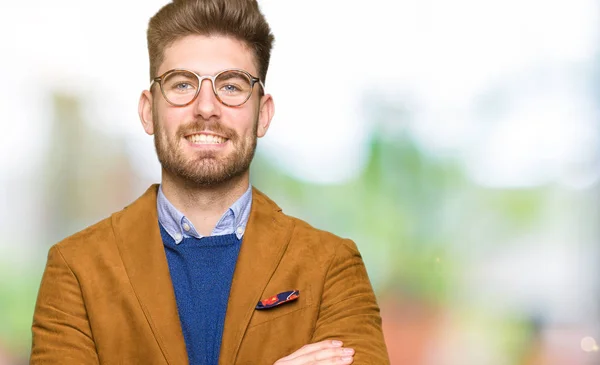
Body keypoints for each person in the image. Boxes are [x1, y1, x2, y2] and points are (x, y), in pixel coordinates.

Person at [30, 0, 390, 364]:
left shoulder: (332, 267)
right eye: (182, 84)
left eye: (231, 86)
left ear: (262, 114)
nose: (206, 107)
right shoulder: (75, 270)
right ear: (147, 111)